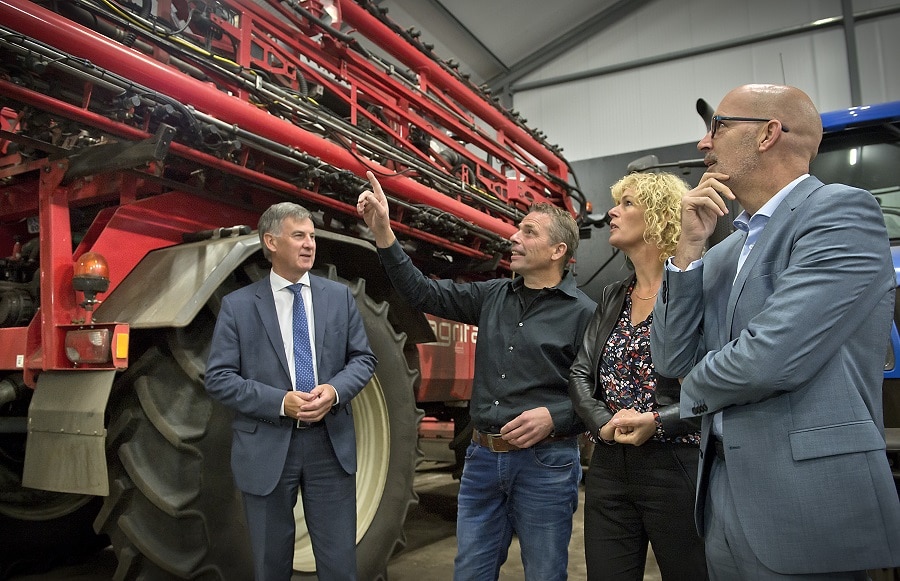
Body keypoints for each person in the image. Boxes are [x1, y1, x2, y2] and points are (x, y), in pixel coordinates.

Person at [649, 83, 900, 579]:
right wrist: (688, 251)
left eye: (719, 126)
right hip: (723, 494)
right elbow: (670, 358)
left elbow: (770, 358)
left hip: (807, 500)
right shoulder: (723, 251)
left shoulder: (840, 212)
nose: (703, 142)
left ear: (768, 134)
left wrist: (690, 386)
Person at [357, 171, 596, 581]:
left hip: (545, 464)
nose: (514, 238)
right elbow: (421, 292)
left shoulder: (584, 313)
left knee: (544, 573)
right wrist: (383, 232)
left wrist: (555, 417)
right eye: (518, 230)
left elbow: (601, 393)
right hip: (483, 459)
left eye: (529, 232)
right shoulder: (493, 295)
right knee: (470, 572)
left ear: (558, 250)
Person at [205, 202, 377, 581]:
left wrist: (334, 391)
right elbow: (218, 378)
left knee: (340, 568)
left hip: (329, 448)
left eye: (312, 236)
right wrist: (281, 402)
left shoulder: (339, 297)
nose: (309, 244)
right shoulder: (238, 307)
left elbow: (363, 359)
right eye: (299, 236)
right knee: (271, 568)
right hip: (267, 449)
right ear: (271, 242)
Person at [569, 172, 707, 581]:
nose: (612, 212)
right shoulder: (614, 295)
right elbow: (580, 372)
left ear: (660, 217)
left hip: (676, 464)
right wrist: (602, 423)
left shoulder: (697, 290)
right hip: (610, 464)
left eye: (627, 203)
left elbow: (718, 385)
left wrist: (659, 422)